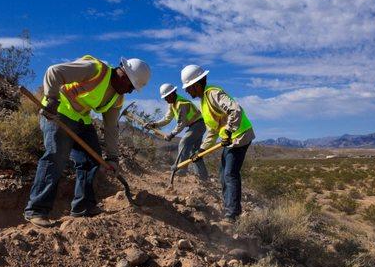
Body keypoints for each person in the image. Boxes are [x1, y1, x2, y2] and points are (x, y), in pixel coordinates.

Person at [24, 55, 151, 227]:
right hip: (58, 112)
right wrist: (52, 98)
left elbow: (111, 128)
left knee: (91, 160)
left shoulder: (117, 98)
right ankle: (36, 210)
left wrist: (113, 157)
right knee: (56, 157)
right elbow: (54, 71)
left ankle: (83, 207)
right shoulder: (95, 69)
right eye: (131, 86)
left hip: (81, 120)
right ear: (123, 74)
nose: (130, 91)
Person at [180, 65, 255, 222]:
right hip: (231, 139)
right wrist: (200, 150)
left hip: (239, 136)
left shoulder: (213, 93)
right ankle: (232, 210)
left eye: (188, 87)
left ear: (196, 84)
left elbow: (236, 110)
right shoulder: (204, 101)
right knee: (223, 175)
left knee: (229, 174)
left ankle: (231, 215)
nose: (187, 91)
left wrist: (228, 131)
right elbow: (213, 130)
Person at [146, 83, 208, 180]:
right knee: (195, 153)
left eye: (166, 97)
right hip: (195, 126)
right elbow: (167, 118)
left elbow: (181, 123)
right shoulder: (172, 104)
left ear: (171, 94)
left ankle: (181, 170)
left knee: (184, 142)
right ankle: (203, 177)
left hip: (198, 125)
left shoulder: (181, 103)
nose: (165, 100)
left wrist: (171, 134)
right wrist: (155, 124)